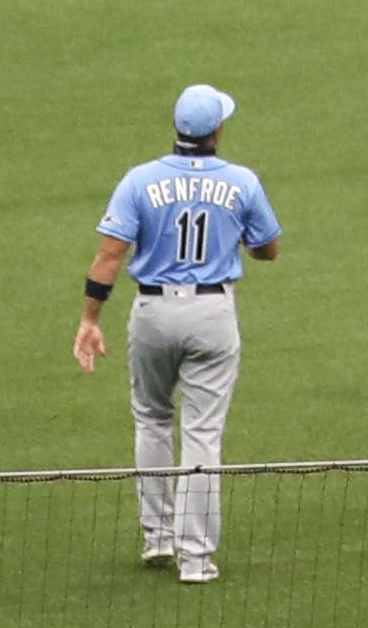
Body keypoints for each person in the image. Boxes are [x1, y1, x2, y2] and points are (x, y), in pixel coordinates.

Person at [73, 82, 277, 583]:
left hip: (152, 311)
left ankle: (157, 537)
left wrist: (90, 319)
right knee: (202, 433)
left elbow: (109, 256)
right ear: (217, 131)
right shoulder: (241, 181)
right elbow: (268, 248)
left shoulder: (140, 181)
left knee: (151, 419)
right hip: (212, 313)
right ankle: (195, 558)